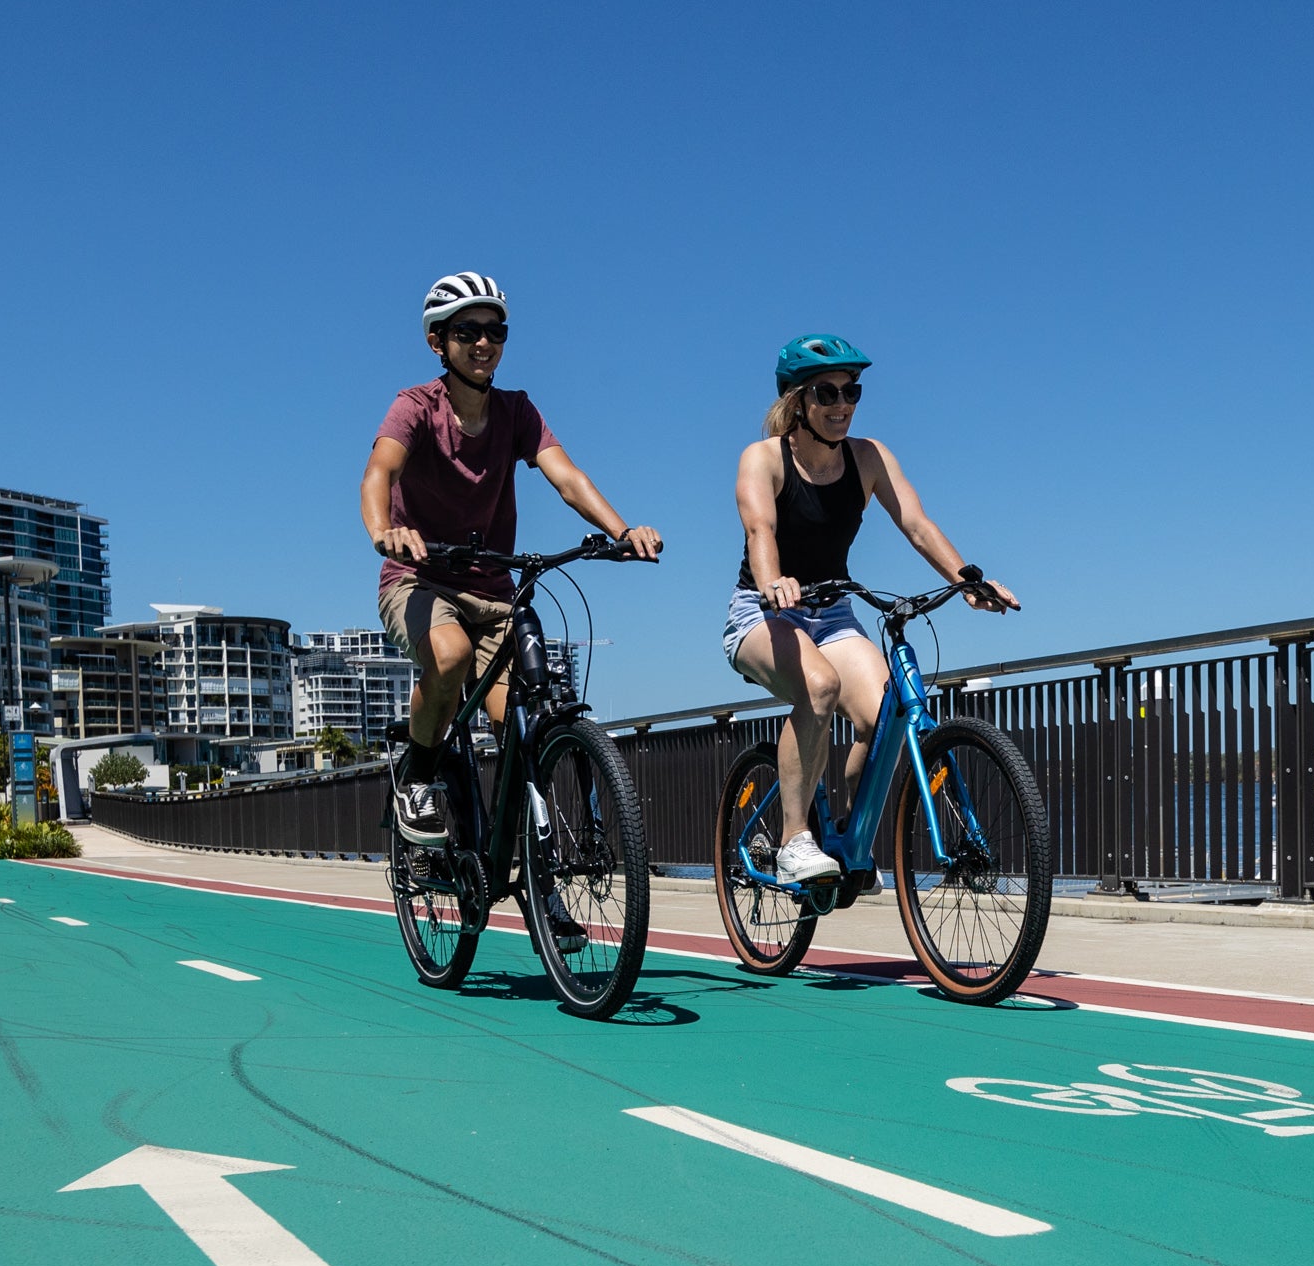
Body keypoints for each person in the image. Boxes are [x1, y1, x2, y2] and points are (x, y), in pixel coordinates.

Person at [362, 271, 661, 844]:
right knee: (447, 659)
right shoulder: (415, 408)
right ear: (438, 342)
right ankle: (417, 780)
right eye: (467, 330)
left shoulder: (517, 411)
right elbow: (381, 471)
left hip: (495, 592)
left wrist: (622, 531)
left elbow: (567, 477)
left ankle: (529, 867)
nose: (484, 342)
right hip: (419, 579)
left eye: (495, 330)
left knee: (522, 723)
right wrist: (386, 531)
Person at [728, 333, 1016, 883]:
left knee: (886, 713)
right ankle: (793, 839)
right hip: (763, 613)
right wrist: (773, 582)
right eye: (828, 393)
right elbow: (760, 528)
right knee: (817, 687)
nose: (843, 405)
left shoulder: (869, 458)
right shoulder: (763, 459)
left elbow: (916, 523)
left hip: (833, 614)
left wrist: (970, 582)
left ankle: (848, 837)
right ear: (797, 402)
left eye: (852, 392)